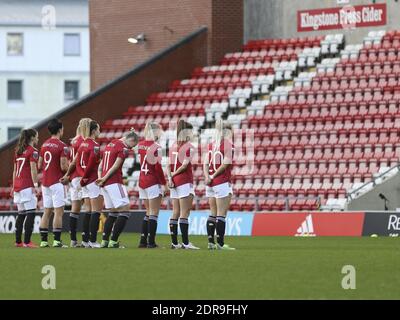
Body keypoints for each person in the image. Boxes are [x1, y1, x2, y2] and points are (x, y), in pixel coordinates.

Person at [61, 120, 103, 248]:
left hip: (81, 180)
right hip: (90, 180)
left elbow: (77, 163)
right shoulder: (94, 145)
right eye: (98, 129)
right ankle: (92, 240)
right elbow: (90, 165)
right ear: (94, 130)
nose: (100, 131)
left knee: (88, 210)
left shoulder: (82, 144)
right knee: (95, 210)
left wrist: (81, 177)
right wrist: (84, 178)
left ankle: (85, 240)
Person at [96, 129, 139, 248]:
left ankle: (104, 241)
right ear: (131, 140)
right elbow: (115, 166)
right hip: (114, 182)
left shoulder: (111, 144)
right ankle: (114, 241)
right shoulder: (123, 149)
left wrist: (101, 179)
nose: (131, 148)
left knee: (113, 213)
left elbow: (100, 166)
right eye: (133, 145)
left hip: (104, 184)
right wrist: (104, 179)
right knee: (125, 211)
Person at [167, 119, 199, 249]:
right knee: (185, 213)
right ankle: (186, 243)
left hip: (173, 182)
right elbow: (185, 165)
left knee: (175, 212)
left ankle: (175, 243)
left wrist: (170, 178)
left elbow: (168, 165)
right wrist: (175, 175)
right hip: (184, 181)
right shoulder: (189, 147)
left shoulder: (173, 145)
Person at [204, 119, 235, 250]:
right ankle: (221, 244)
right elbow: (225, 165)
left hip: (210, 184)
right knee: (221, 214)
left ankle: (211, 242)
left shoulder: (211, 145)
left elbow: (205, 163)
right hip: (221, 181)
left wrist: (207, 177)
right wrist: (213, 175)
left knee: (213, 213)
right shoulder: (228, 145)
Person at [38, 119, 69, 248]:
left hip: (45, 182)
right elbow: (63, 166)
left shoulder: (44, 144)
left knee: (47, 211)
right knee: (58, 212)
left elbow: (40, 164)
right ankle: (56, 241)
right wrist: (70, 171)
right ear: (60, 130)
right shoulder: (62, 146)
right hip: (57, 182)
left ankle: (44, 241)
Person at [137, 122, 166, 248]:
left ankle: (143, 241)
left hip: (142, 180)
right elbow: (157, 167)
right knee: (154, 213)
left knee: (148, 212)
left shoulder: (141, 144)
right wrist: (163, 183)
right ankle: (151, 242)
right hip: (152, 181)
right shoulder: (157, 147)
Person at [11, 129, 39, 248]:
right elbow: (33, 169)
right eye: (37, 136)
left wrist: (13, 186)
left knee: (21, 214)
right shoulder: (33, 151)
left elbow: (14, 170)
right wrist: (36, 185)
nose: (38, 138)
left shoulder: (18, 150)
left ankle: (18, 241)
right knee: (31, 213)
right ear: (32, 138)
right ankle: (27, 241)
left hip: (18, 185)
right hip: (27, 185)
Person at [68, 118, 92, 247]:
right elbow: (79, 161)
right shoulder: (84, 141)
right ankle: (86, 239)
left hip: (73, 177)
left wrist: (68, 175)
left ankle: (73, 240)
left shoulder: (74, 141)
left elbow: (70, 161)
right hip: (81, 176)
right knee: (88, 208)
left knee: (75, 208)